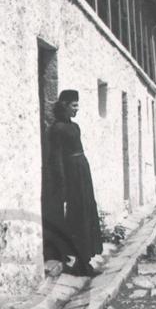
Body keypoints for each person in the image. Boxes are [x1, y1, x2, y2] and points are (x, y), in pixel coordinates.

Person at [48, 89, 103, 277]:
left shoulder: (75, 127)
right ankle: (81, 263)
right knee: (77, 216)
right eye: (74, 105)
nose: (77, 109)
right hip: (71, 177)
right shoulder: (57, 129)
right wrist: (62, 185)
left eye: (77, 105)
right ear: (64, 106)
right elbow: (56, 158)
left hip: (82, 173)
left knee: (87, 212)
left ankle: (85, 259)